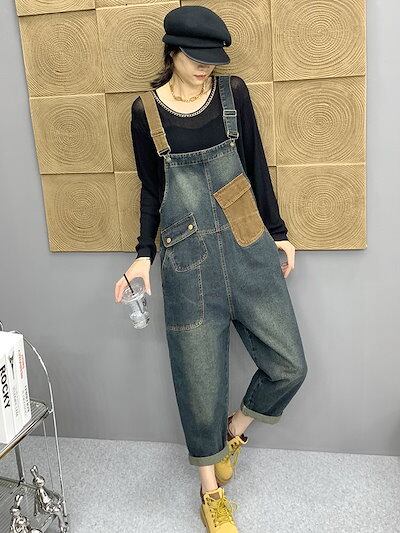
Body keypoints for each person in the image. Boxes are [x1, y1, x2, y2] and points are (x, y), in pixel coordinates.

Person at [114, 6, 308, 532]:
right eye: (197, 58)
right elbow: (152, 190)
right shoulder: (145, 113)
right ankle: (211, 492)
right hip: (187, 260)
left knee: (289, 365)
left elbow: (257, 164)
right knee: (199, 383)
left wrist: (279, 231)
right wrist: (143, 255)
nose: (207, 67)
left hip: (248, 246)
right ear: (172, 51)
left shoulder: (232, 94)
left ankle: (234, 431)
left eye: (213, 59)